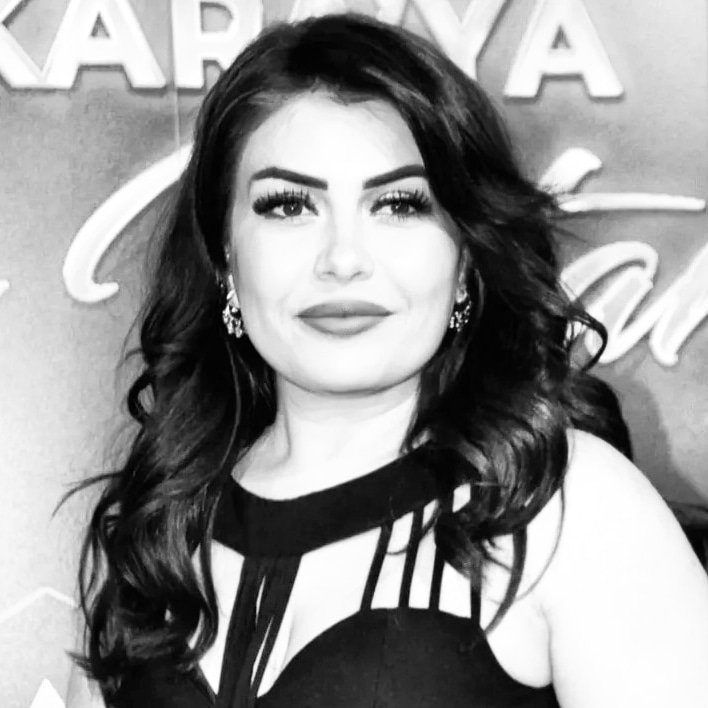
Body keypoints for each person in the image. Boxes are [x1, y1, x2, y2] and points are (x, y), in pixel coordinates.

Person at [66, 12, 708, 708]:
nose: (343, 259)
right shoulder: (152, 535)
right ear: (224, 256)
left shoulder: (564, 507)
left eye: (398, 205)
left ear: (466, 260)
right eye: (289, 206)